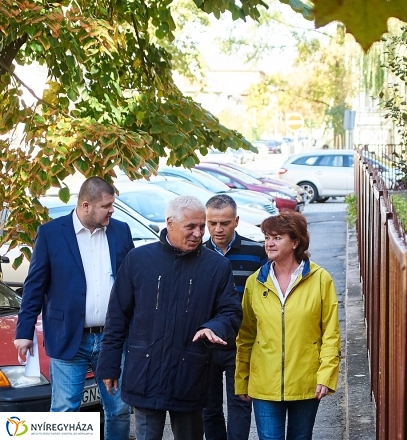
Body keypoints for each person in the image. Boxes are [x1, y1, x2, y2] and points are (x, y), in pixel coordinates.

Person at [96, 195, 242, 440]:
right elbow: (117, 317)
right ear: (170, 224)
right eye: (191, 227)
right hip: (145, 373)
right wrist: (109, 365)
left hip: (191, 375)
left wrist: (213, 327)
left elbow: (231, 312)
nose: (198, 233)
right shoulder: (139, 260)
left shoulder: (216, 266)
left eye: (201, 227)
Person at [14, 177, 133, 440]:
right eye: (107, 205)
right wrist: (24, 331)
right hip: (69, 337)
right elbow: (34, 286)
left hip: (113, 339)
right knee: (65, 411)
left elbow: (132, 283)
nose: (112, 210)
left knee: (120, 410)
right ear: (86, 205)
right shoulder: (51, 233)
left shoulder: (121, 231)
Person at [235, 210, 340, 440]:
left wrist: (325, 375)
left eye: (277, 237)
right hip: (265, 383)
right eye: (267, 238)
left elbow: (330, 333)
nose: (269, 244)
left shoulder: (321, 279)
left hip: (306, 380)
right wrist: (242, 380)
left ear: (295, 242)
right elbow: (246, 336)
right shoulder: (255, 282)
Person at [203, 195, 267, 440]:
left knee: (240, 405)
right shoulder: (196, 252)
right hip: (206, 344)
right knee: (209, 409)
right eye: (213, 223)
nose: (218, 229)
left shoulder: (256, 252)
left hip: (241, 345)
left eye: (225, 223)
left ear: (237, 221)